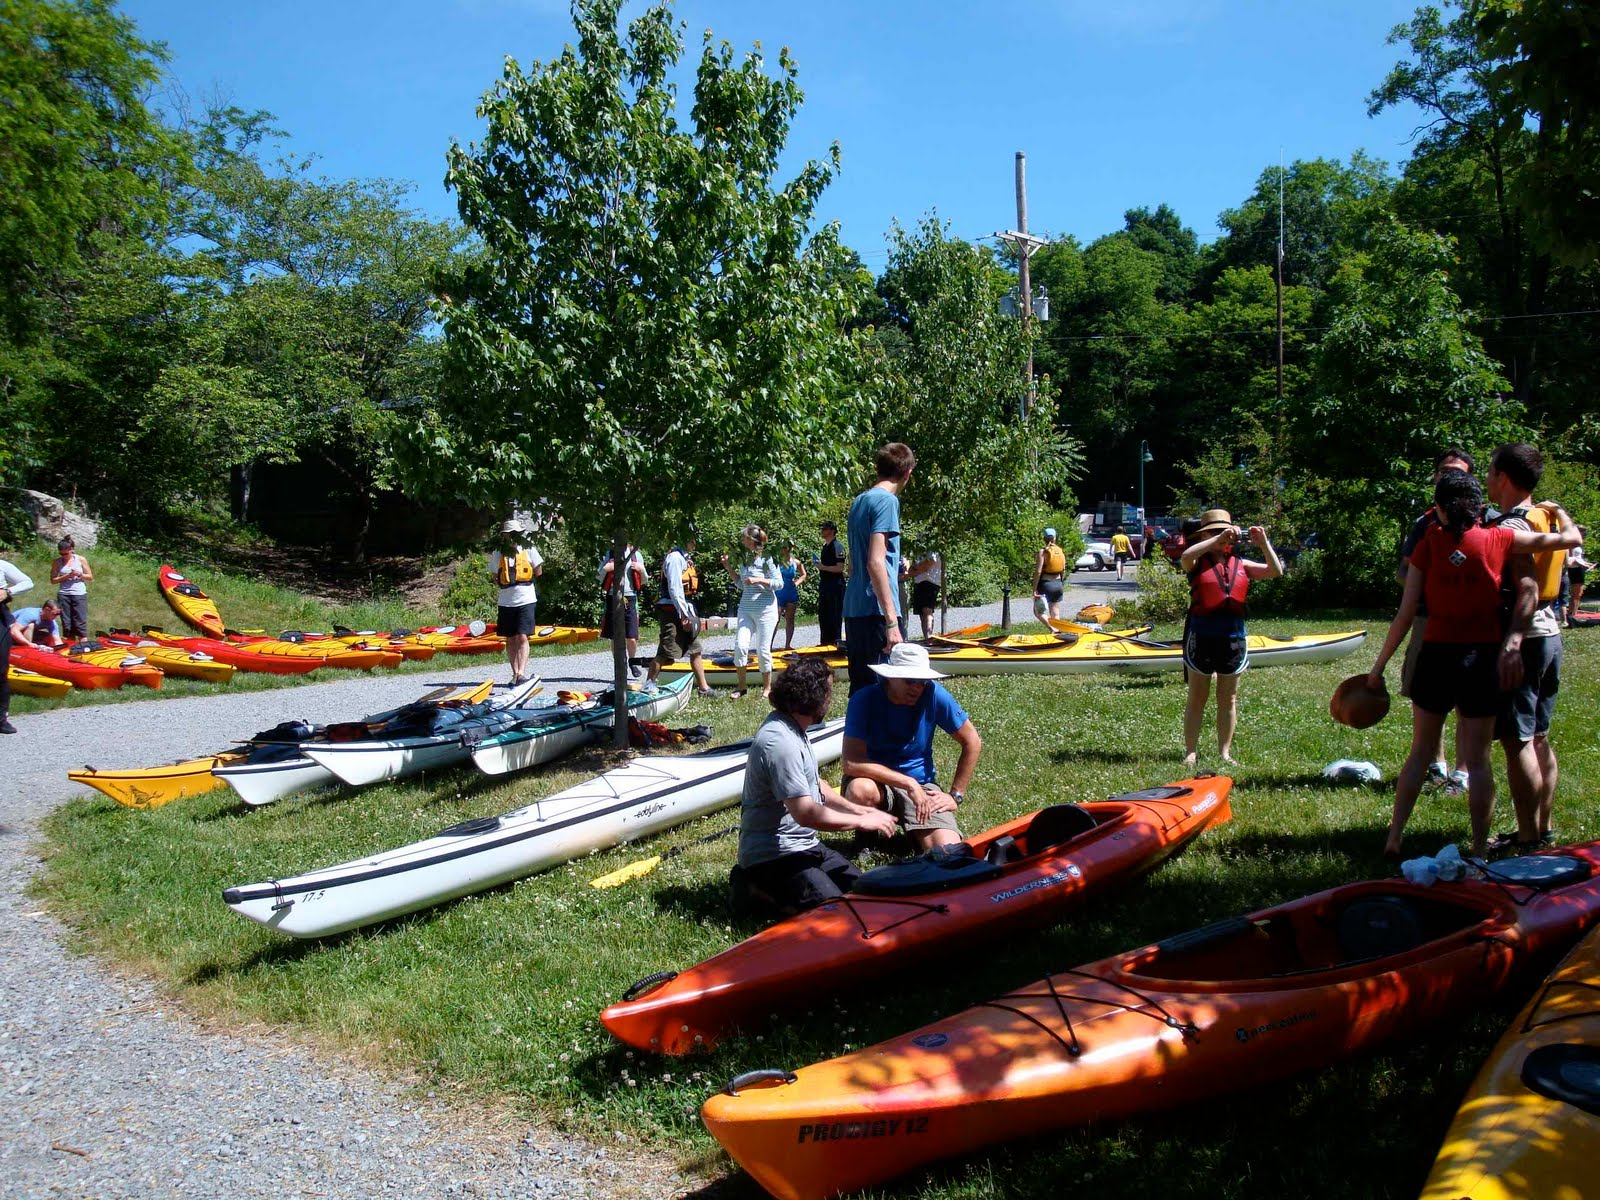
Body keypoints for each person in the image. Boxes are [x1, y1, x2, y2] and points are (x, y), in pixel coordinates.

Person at [1365, 470, 1580, 858]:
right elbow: (1571, 540)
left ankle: (1394, 839)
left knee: (1420, 752)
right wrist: (1560, 513)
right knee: (1478, 761)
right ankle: (1479, 848)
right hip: (1481, 660)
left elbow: (1406, 613)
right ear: (1479, 507)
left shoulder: (1428, 544)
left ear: (1439, 509)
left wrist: (1378, 668)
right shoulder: (1500, 538)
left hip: (1435, 657)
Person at [728, 657, 899, 918]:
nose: (831, 698)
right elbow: (806, 813)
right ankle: (753, 888)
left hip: (806, 846)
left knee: (867, 891)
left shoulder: (795, 728)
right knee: (839, 915)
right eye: (828, 692)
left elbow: (817, 785)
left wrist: (859, 810)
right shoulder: (780, 742)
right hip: (773, 857)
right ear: (813, 696)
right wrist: (860, 822)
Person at [1484, 443, 1568, 853]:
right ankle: (1543, 827)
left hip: (1527, 637)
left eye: (1490, 471)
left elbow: (1527, 588)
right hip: (1550, 634)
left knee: (1518, 741)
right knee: (1539, 737)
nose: (1486, 478)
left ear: (1503, 477)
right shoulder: (1545, 517)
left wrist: (1513, 641)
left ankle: (1529, 837)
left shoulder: (1514, 526)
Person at [840, 642, 981, 853]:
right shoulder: (864, 699)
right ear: (891, 677)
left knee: (948, 852)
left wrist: (955, 795)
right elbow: (851, 763)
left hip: (922, 785)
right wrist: (908, 783)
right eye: (910, 681)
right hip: (877, 783)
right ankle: (867, 838)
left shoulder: (934, 694)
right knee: (860, 790)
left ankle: (917, 830)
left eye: (922, 681)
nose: (917, 688)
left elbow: (972, 741)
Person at [1397, 448, 1478, 796]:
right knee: (1427, 697)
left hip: (1474, 626)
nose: (1449, 476)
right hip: (1427, 619)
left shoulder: (1486, 522)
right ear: (1435, 476)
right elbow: (1404, 572)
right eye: (1444, 471)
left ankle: (1463, 773)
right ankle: (1436, 765)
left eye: (1457, 471)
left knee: (1467, 701)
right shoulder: (1425, 524)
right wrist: (1432, 585)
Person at [1179, 509, 1284, 766]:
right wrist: (1217, 539)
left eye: (1225, 532)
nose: (1223, 537)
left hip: (1233, 638)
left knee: (1229, 698)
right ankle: (1190, 751)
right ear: (1204, 536)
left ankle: (1224, 752)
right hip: (1202, 636)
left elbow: (1275, 571)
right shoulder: (1196, 562)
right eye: (1215, 532)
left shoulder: (1242, 564)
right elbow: (1185, 556)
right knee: (1197, 697)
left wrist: (1263, 543)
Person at [843, 442, 916, 693]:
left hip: (854, 608)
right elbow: (875, 562)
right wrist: (891, 622)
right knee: (885, 690)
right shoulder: (887, 501)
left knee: (861, 690)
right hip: (876, 612)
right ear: (907, 473)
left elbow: (853, 563)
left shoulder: (859, 501)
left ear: (878, 469)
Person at [646, 532, 713, 696]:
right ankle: (649, 684)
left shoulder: (684, 558)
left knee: (695, 649)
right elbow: (675, 589)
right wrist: (683, 615)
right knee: (666, 652)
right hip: (672, 611)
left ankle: (704, 688)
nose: (695, 544)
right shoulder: (675, 558)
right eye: (693, 540)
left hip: (683, 609)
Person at [721, 525, 780, 699]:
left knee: (763, 650)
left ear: (752, 540)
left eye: (744, 538)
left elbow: (779, 583)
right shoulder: (744, 559)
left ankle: (767, 688)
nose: (742, 540)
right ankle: (741, 687)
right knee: (740, 646)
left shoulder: (768, 558)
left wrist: (758, 580)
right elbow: (741, 584)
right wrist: (728, 567)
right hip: (746, 609)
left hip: (766, 611)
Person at [488, 518, 544, 685]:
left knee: (522, 636)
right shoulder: (498, 552)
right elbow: (494, 576)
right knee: (510, 638)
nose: (512, 536)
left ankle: (521, 673)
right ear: (504, 535)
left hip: (526, 598)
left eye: (515, 533)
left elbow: (538, 570)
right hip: (506, 601)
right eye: (509, 534)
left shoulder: (528, 548)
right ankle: (515, 673)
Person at [599, 542, 647, 677]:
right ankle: (619, 664)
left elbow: (644, 580)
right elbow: (599, 577)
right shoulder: (609, 554)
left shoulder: (635, 555)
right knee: (614, 635)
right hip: (612, 596)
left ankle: (632, 662)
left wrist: (641, 570)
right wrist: (606, 568)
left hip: (630, 597)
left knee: (632, 636)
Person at [0, 557, 33, 734]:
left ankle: (1, 719)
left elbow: (27, 582)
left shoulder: (2, 565)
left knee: (0, 670)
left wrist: (8, 592)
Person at [50, 536, 93, 641]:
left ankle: (83, 645)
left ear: (72, 550)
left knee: (80, 622)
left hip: (79, 594)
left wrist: (79, 574)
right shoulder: (57, 562)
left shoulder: (80, 559)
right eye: (61, 554)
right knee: (67, 623)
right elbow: (53, 580)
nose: (63, 556)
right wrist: (67, 576)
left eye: (66, 554)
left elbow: (90, 576)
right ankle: (71, 644)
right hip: (64, 594)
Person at [772, 540, 809, 651]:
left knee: (790, 619)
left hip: (791, 593)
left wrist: (797, 583)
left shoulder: (796, 562)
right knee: (775, 619)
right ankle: (768, 645)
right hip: (778, 593)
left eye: (788, 547)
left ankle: (787, 645)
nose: (785, 549)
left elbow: (803, 574)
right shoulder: (776, 561)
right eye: (783, 547)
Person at [815, 519, 846, 649]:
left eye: (825, 529)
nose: (822, 531)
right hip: (825, 585)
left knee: (834, 615)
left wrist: (823, 567)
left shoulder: (837, 546)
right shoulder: (825, 546)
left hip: (835, 586)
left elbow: (840, 568)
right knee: (824, 614)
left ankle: (835, 643)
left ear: (832, 531)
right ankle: (825, 643)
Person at [1032, 527, 1067, 621]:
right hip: (1058, 583)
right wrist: (1061, 582)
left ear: (1044, 538)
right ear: (1055, 538)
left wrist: (1034, 589)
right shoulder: (1060, 551)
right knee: (1055, 613)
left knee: (1038, 611)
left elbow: (1038, 571)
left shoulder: (1043, 552)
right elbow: (1063, 570)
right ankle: (1056, 628)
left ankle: (1052, 628)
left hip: (1046, 584)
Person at [908, 548, 942, 640]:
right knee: (921, 613)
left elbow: (927, 565)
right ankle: (926, 638)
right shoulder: (919, 550)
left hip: (930, 582)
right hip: (919, 582)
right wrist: (917, 568)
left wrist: (916, 568)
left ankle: (929, 638)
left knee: (927, 610)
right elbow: (910, 571)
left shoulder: (932, 547)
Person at [1565, 529, 1589, 626]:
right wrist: (1581, 564)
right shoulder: (1571, 543)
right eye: (1583, 533)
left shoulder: (1579, 544)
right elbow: (1570, 558)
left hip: (1579, 568)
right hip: (1574, 569)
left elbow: (1579, 558)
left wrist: (1586, 563)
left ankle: (1574, 613)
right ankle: (1572, 615)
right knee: (1576, 592)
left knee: (1579, 593)